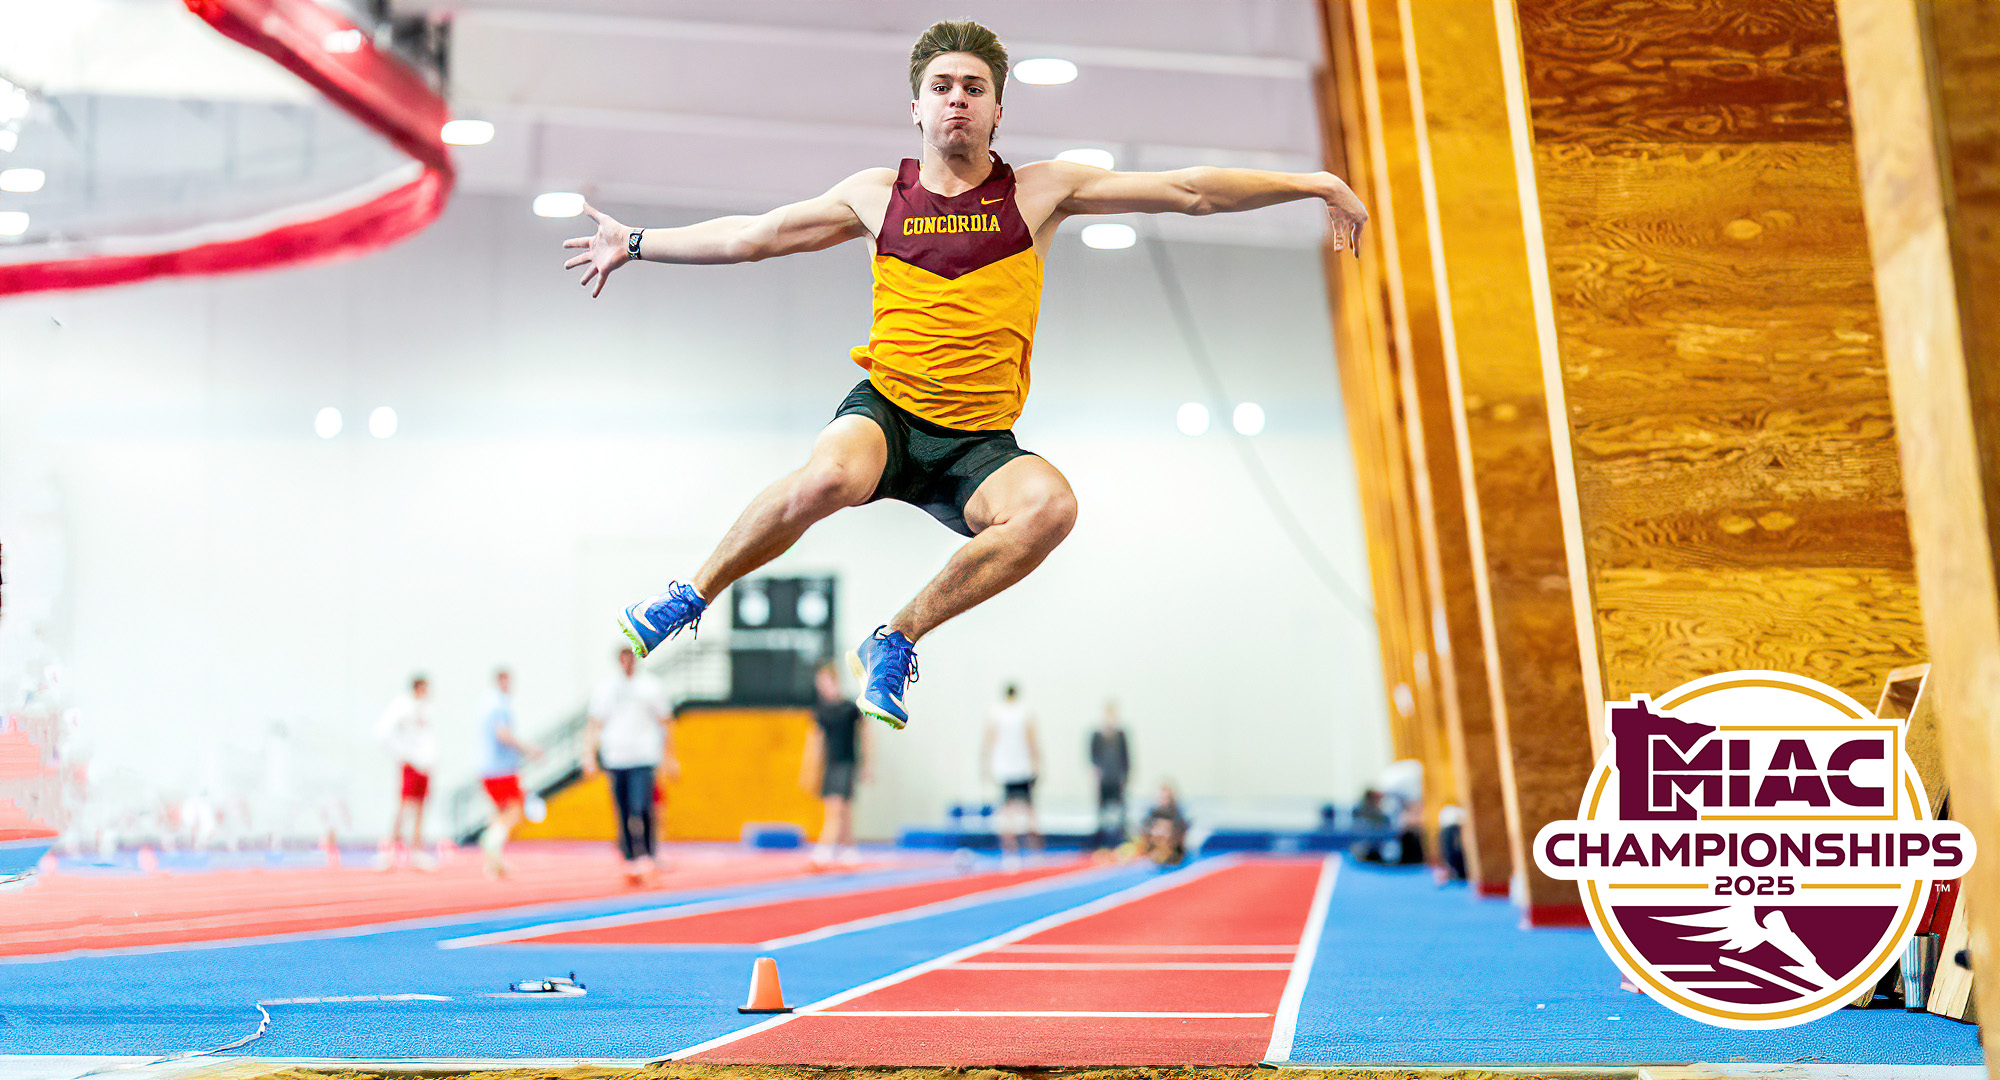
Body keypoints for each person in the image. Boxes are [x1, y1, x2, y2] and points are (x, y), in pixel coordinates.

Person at [566, 20, 1369, 732]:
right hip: (886, 412)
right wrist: (635, 241)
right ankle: (691, 593)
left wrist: (1309, 182)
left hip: (978, 443)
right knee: (826, 480)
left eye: (973, 88)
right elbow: (753, 237)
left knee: (1051, 510)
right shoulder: (876, 197)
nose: (957, 99)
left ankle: (898, 637)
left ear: (996, 110)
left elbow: (1187, 191)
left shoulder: (1043, 190)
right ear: (916, 108)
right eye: (941, 87)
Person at [585, 647, 675, 884]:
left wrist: (670, 757)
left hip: (643, 756)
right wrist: (589, 757)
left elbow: (666, 722)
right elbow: (594, 723)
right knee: (622, 808)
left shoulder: (651, 686)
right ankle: (629, 856)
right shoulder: (606, 688)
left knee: (642, 806)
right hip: (616, 757)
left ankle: (647, 852)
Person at [800, 662, 869, 869]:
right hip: (830, 765)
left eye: (825, 683)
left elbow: (866, 734)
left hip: (847, 762)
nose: (822, 688)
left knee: (837, 809)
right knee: (843, 810)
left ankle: (823, 852)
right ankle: (849, 850)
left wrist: (867, 764)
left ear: (834, 681)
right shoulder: (821, 712)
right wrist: (809, 770)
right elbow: (815, 743)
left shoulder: (849, 708)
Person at [478, 668, 542, 878]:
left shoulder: (488, 704)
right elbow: (502, 734)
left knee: (499, 814)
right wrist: (528, 749)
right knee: (514, 812)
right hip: (501, 769)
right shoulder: (499, 706)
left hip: (489, 768)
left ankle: (493, 862)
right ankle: (490, 840)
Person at [374, 674, 437, 870]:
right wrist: (402, 754)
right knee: (403, 808)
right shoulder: (402, 706)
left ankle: (416, 851)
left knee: (420, 809)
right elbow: (382, 732)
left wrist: (431, 759)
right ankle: (389, 851)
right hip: (411, 764)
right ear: (418, 687)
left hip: (424, 765)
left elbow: (427, 738)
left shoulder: (425, 708)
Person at [982, 683, 1039, 869]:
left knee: (1008, 812)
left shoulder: (996, 712)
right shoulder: (1024, 711)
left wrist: (987, 764)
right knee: (1028, 809)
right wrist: (1036, 761)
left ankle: (1010, 853)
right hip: (1021, 766)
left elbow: (990, 739)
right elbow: (1031, 738)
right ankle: (1033, 852)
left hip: (1005, 767)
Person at [1089, 700, 1131, 849]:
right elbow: (1092, 757)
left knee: (1120, 809)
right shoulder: (1097, 735)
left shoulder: (1120, 735)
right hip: (1104, 778)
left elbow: (1126, 757)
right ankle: (1101, 839)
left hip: (1117, 777)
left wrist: (1126, 775)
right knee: (1102, 810)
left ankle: (1120, 837)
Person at [1136, 781, 1190, 867]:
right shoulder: (1150, 816)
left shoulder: (1178, 818)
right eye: (1161, 797)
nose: (1158, 833)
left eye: (1166, 798)